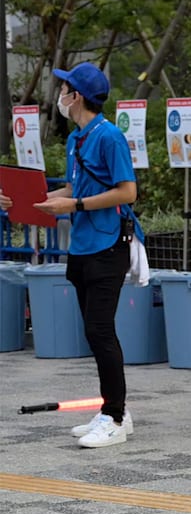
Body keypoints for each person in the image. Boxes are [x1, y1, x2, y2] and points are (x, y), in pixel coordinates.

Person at [0, 62, 142, 448]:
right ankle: (117, 410)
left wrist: (75, 206)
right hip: (81, 246)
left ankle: (113, 415)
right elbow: (72, 189)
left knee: (100, 330)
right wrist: (29, 201)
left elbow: (127, 192)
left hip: (107, 245)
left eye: (64, 89)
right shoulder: (76, 139)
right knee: (94, 332)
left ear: (75, 96)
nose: (60, 95)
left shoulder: (109, 136)